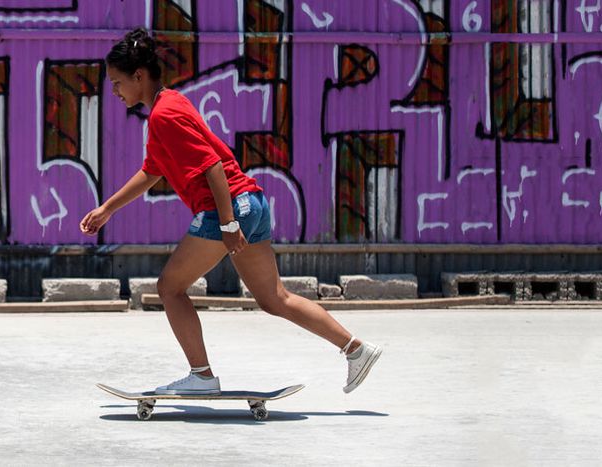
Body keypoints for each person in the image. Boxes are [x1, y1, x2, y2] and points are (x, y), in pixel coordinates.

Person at [81, 28, 382, 395]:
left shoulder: (164, 115)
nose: (114, 91)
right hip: (251, 202)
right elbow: (153, 170)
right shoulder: (171, 104)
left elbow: (212, 168)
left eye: (117, 82)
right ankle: (356, 349)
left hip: (226, 208)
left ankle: (202, 376)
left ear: (139, 76)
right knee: (275, 299)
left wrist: (226, 223)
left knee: (169, 288)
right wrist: (107, 209)